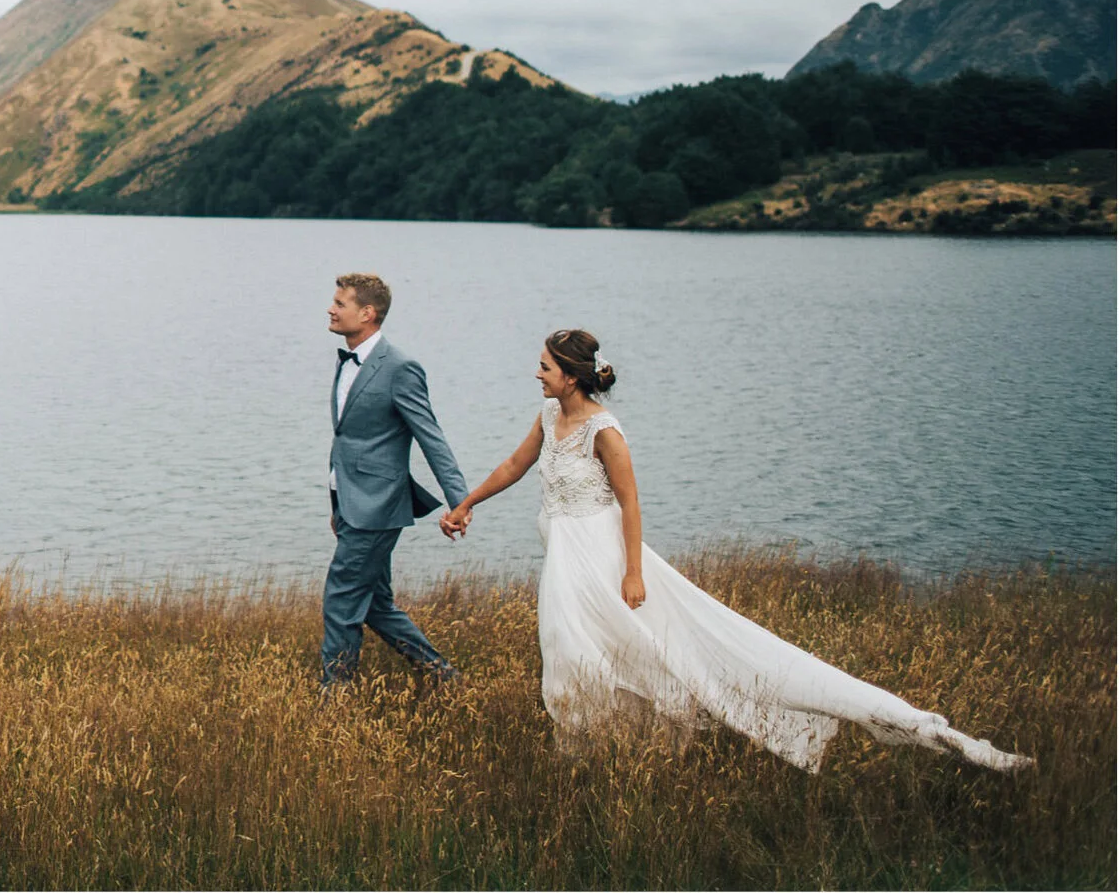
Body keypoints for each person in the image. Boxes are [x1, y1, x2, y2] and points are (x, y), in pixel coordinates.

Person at [440, 328, 1031, 772]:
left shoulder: (605, 431)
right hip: (565, 559)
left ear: (571, 376)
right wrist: (467, 504)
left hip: (602, 558)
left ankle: (921, 729)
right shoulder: (549, 415)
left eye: (545, 367)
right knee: (573, 653)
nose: (537, 374)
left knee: (624, 650)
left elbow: (631, 504)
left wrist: (634, 573)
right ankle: (600, 755)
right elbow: (516, 464)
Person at [318, 272, 469, 685]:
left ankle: (335, 698)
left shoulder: (400, 368)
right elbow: (348, 438)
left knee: (341, 599)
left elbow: (431, 437)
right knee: (374, 604)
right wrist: (338, 503)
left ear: (367, 313)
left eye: (340, 303)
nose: (331, 309)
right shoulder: (348, 361)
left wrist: (460, 501)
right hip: (351, 502)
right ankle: (445, 678)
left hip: (377, 505)